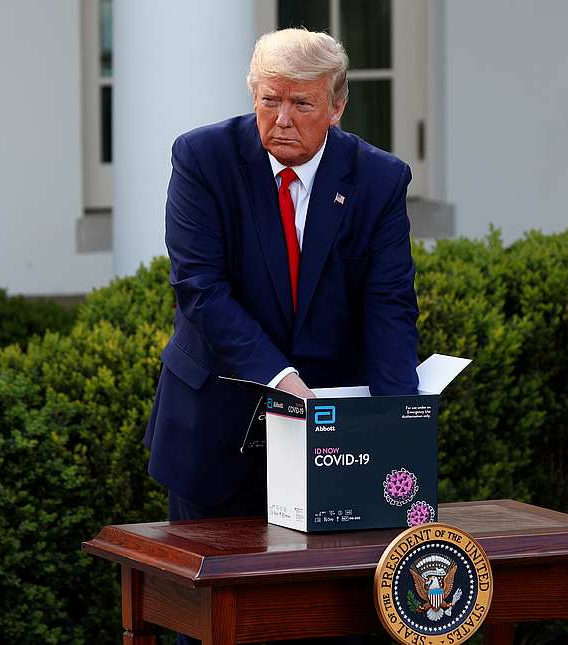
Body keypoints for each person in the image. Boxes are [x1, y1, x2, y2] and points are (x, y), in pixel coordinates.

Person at [144, 27, 420, 526]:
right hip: (216, 427)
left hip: (332, 438)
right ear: (254, 94)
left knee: (318, 597)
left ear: (337, 107)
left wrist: (395, 422)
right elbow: (200, 288)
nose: (283, 120)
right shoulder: (202, 159)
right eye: (269, 101)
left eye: (302, 104)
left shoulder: (379, 179)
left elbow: (389, 304)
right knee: (216, 595)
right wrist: (282, 379)